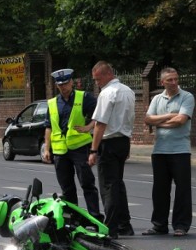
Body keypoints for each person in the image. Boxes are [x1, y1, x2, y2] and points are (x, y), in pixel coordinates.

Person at [42, 69, 103, 220]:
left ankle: (94, 217)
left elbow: (100, 115)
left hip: (80, 149)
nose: (63, 87)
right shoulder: (52, 103)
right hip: (60, 151)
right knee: (67, 188)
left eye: (66, 83)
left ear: (72, 82)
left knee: (87, 184)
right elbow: (48, 126)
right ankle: (73, 218)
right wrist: (47, 148)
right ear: (57, 86)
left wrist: (89, 127)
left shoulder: (84, 97)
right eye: (60, 84)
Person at [143, 67, 195, 237]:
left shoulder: (187, 97)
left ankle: (181, 225)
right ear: (162, 82)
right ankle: (159, 225)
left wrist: (158, 123)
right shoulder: (157, 98)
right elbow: (147, 119)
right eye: (170, 80)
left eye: (176, 79)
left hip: (180, 150)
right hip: (159, 151)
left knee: (182, 190)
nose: (174, 82)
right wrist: (168, 116)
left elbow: (180, 120)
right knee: (159, 190)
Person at [87, 61, 136, 238]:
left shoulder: (107, 93)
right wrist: (128, 141)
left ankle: (111, 228)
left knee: (109, 187)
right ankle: (125, 225)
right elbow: (129, 119)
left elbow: (100, 124)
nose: (96, 83)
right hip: (123, 141)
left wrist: (93, 150)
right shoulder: (128, 91)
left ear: (108, 74)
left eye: (98, 79)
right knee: (118, 184)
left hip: (108, 143)